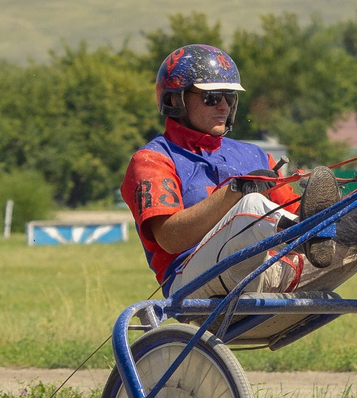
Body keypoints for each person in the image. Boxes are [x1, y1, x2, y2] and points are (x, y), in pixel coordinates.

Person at [120, 44, 343, 297]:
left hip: (269, 270)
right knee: (251, 205)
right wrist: (234, 192)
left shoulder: (256, 155)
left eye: (229, 96)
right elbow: (171, 239)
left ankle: (329, 229)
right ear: (174, 99)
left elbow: (292, 208)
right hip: (191, 282)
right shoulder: (152, 159)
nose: (224, 106)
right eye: (212, 97)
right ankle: (309, 233)